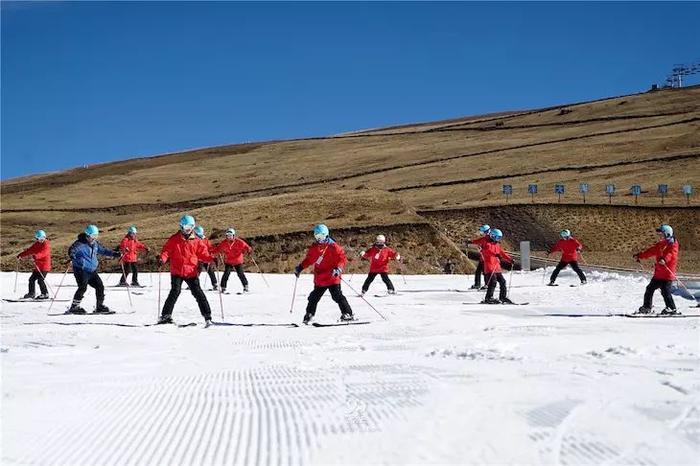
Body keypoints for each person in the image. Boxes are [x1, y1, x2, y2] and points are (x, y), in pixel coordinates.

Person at [158, 215, 213, 326]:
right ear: (181, 226)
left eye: (191, 226)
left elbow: (203, 253)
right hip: (177, 271)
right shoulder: (174, 239)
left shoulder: (197, 241)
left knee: (198, 293)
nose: (188, 229)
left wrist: (211, 259)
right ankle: (165, 316)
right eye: (186, 226)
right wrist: (162, 259)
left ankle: (207, 316)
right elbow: (166, 251)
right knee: (175, 292)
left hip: (191, 271)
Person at [294, 224, 354, 324]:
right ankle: (309, 315)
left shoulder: (333, 246)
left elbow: (342, 258)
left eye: (321, 237)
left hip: (332, 276)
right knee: (313, 297)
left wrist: (338, 268)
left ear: (326, 235)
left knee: (337, 296)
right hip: (320, 279)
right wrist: (300, 268)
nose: (319, 239)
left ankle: (347, 313)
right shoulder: (314, 248)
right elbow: (309, 260)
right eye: (317, 237)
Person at [67, 225, 121, 314]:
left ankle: (99, 306)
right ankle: (74, 307)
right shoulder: (80, 243)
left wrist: (115, 254)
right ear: (87, 235)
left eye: (96, 236)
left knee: (100, 286)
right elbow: (72, 249)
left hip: (92, 271)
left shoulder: (95, 244)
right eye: (92, 236)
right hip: (81, 270)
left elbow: (104, 250)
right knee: (82, 288)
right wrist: (72, 255)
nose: (94, 238)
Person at [634, 224, 680, 315]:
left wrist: (664, 260)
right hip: (658, 274)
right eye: (659, 235)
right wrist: (640, 255)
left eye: (661, 235)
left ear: (667, 234)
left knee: (665, 292)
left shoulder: (673, 244)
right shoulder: (660, 245)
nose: (660, 237)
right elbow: (650, 251)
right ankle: (647, 307)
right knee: (649, 289)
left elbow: (671, 254)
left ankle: (671, 309)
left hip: (667, 274)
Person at [480, 228, 514, 304]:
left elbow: (502, 253)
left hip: (496, 267)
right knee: (493, 282)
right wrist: (495, 254)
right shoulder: (487, 244)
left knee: (503, 281)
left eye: (499, 238)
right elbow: (485, 252)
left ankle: (503, 297)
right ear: (492, 236)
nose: (498, 239)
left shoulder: (497, 245)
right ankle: (488, 298)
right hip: (489, 267)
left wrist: (510, 259)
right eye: (497, 237)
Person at [213, 228, 252, 293]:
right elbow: (218, 249)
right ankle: (223, 287)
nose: (229, 237)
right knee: (226, 273)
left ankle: (245, 286)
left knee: (240, 274)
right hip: (229, 261)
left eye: (230, 235)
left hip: (237, 261)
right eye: (227, 235)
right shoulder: (224, 243)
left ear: (233, 235)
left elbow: (246, 247)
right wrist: (212, 253)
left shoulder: (239, 241)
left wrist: (249, 250)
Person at [17, 229, 52, 299]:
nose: (41, 240)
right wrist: (21, 255)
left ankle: (45, 294)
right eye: (39, 238)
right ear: (37, 238)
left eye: (43, 238)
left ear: (45, 237)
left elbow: (44, 253)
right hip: (38, 266)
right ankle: (31, 293)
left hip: (45, 267)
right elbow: (29, 250)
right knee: (31, 279)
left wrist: (36, 256)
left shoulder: (46, 244)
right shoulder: (37, 244)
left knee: (40, 280)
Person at [466, 224, 491, 289]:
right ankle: (478, 284)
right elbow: (478, 241)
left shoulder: (488, 238)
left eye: (482, 231)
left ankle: (487, 284)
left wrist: (471, 242)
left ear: (486, 231)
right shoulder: (486, 237)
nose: (481, 233)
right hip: (483, 258)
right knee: (479, 271)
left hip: (486, 258)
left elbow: (480, 242)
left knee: (485, 271)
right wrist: (470, 241)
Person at [194, 225, 218, 291]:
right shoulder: (194, 240)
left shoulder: (205, 240)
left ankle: (215, 284)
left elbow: (210, 248)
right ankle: (194, 284)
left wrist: (213, 253)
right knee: (197, 271)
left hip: (205, 259)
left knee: (210, 271)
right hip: (198, 259)